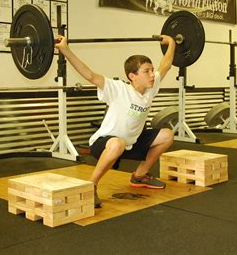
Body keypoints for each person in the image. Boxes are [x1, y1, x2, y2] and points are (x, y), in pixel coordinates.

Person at [54, 34, 176, 208]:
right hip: (105, 144)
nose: (152, 75)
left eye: (151, 70)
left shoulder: (150, 88)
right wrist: (65, 50)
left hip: (130, 143)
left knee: (167, 135)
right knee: (117, 143)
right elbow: (89, 74)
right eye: (146, 71)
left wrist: (171, 42)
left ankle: (140, 175)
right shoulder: (118, 89)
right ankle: (91, 186)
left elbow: (166, 64)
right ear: (132, 76)